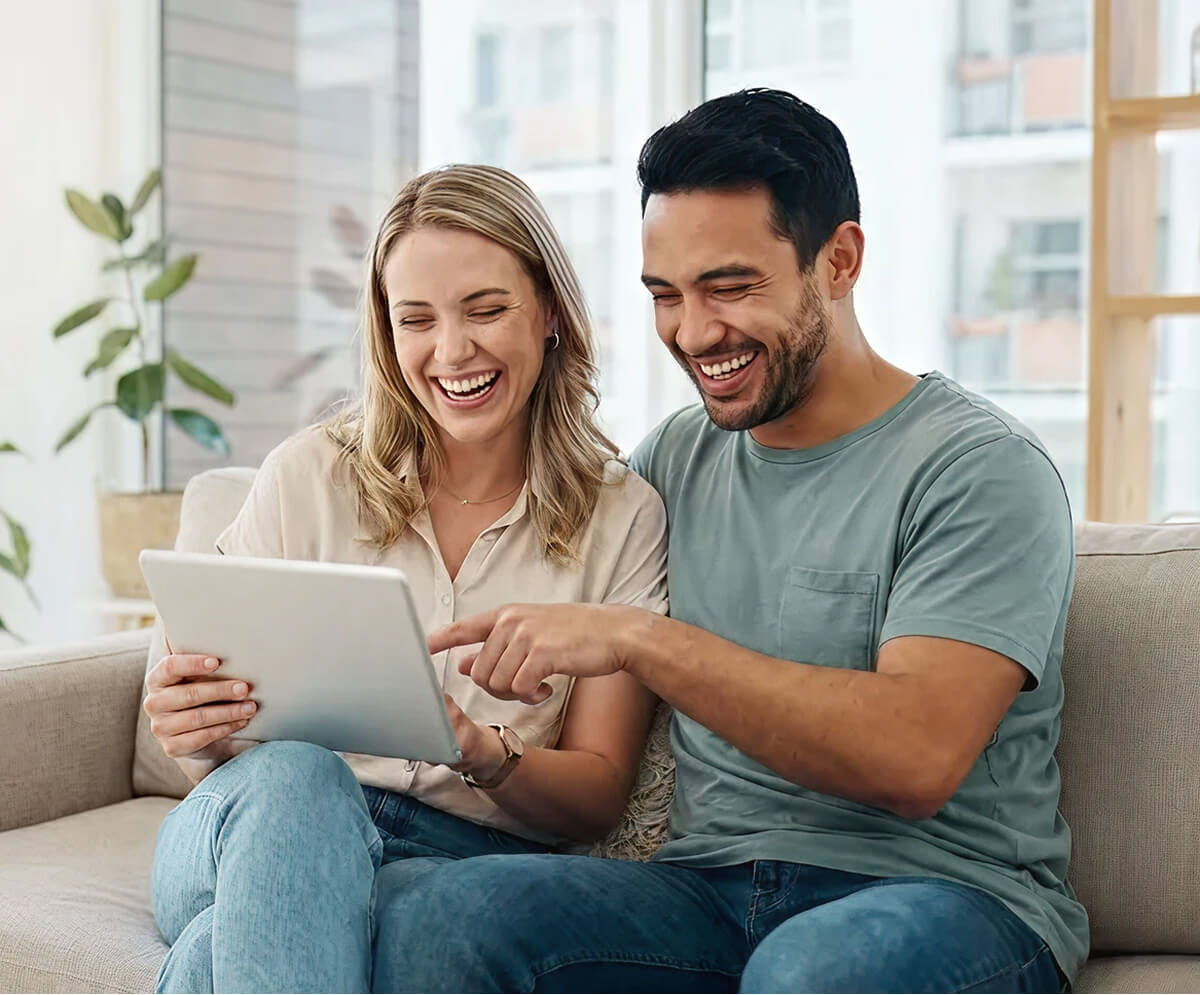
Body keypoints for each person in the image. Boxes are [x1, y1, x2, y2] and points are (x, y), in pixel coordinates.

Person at [373, 89, 1089, 993]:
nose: (694, 331)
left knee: (808, 974)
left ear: (839, 260)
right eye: (666, 295)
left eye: (731, 286)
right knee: (447, 916)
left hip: (947, 896)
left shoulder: (979, 470)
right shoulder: (675, 461)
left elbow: (913, 759)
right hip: (707, 895)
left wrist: (640, 638)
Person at [141, 163, 668, 994]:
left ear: (551, 312)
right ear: (388, 336)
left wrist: (479, 751)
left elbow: (598, 792)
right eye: (415, 319)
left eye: (486, 309)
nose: (452, 351)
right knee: (299, 775)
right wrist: (195, 725)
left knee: (233, 950)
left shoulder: (622, 516)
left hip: (461, 853)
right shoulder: (308, 475)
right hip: (260, 818)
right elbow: (207, 748)